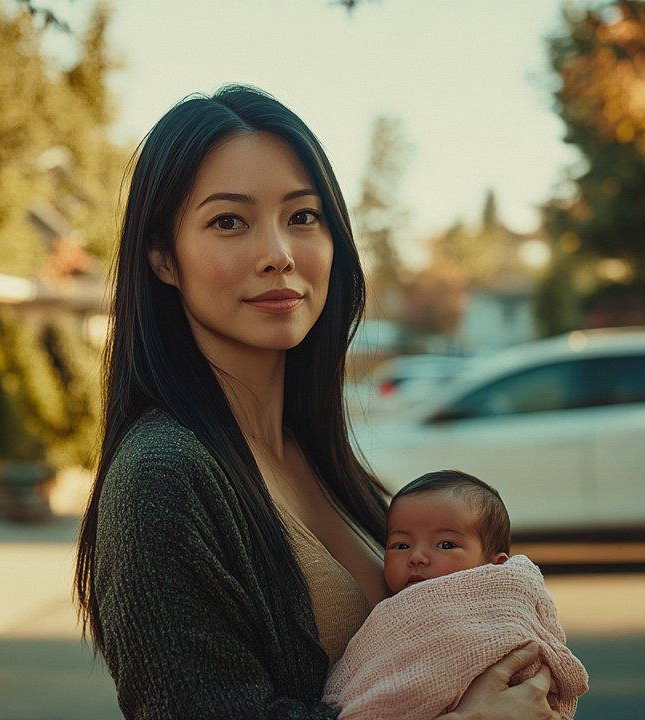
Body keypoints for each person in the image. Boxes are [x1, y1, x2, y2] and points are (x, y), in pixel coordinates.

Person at [73, 84, 560, 719]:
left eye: (303, 216)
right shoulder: (161, 479)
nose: (278, 254)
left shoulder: (317, 455)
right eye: (229, 221)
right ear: (164, 258)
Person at [324, 471, 589, 720]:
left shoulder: (499, 601)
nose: (416, 557)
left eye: (446, 545)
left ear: (493, 566)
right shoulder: (394, 614)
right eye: (401, 545)